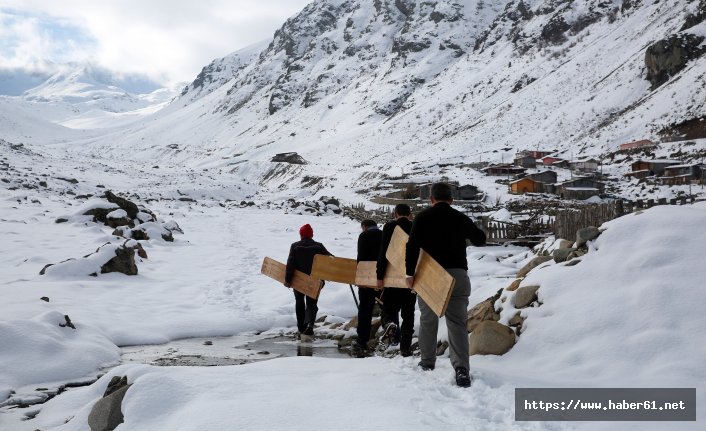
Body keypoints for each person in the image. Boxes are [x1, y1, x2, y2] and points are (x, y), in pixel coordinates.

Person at [405, 183, 486, 388]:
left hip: (431, 276)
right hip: (458, 276)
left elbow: (412, 246)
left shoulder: (423, 217)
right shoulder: (460, 217)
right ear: (451, 200)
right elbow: (480, 239)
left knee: (428, 319)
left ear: (431, 199)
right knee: (457, 323)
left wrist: (409, 274)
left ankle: (427, 363)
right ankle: (461, 369)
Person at [376, 204, 416, 357]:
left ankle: (390, 325)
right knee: (408, 314)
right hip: (410, 278)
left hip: (392, 279)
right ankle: (405, 348)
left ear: (395, 214)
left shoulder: (389, 227)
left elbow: (384, 253)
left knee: (388, 310)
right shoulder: (414, 227)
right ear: (410, 214)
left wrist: (379, 276)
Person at [284, 223, 331, 339]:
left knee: (299, 302)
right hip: (315, 280)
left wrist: (287, 280)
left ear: (301, 234)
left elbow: (290, 264)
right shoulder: (319, 246)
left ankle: (301, 328)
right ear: (311, 234)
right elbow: (330, 260)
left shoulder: (295, 246)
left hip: (298, 279)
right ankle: (309, 325)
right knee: (312, 303)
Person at [351, 219, 383, 358]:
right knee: (386, 307)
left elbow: (361, 257)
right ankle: (392, 337)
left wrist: (360, 277)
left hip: (367, 277)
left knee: (365, 309)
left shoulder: (364, 236)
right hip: (384, 277)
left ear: (364, 227)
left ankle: (362, 340)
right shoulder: (383, 234)